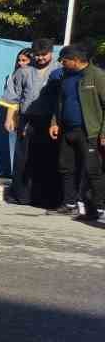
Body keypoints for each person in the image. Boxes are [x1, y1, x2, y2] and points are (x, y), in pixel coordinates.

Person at [0, 39, 60, 207]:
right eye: (37, 55)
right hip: (27, 121)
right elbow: (13, 96)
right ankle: (21, 196)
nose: (40, 58)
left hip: (50, 121)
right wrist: (9, 118)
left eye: (44, 55)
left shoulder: (59, 71)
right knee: (23, 159)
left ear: (51, 53)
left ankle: (45, 199)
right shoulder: (24, 71)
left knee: (46, 159)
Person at [47, 44, 105, 221]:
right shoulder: (66, 76)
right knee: (66, 168)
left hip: (89, 131)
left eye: (64, 60)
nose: (61, 63)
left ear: (76, 60)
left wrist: (103, 133)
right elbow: (60, 102)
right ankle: (69, 204)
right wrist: (55, 122)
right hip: (67, 130)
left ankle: (97, 208)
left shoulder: (97, 76)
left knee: (92, 170)